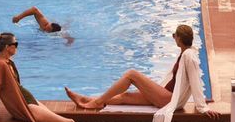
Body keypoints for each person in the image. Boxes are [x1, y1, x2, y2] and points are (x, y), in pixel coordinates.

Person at [65, 23, 206, 113]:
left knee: (131, 74)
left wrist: (202, 106)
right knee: (125, 96)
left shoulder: (188, 56)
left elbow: (195, 79)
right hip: (165, 95)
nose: (173, 38)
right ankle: (87, 100)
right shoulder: (186, 53)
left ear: (180, 39)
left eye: (174, 36)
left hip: (167, 99)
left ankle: (96, 102)